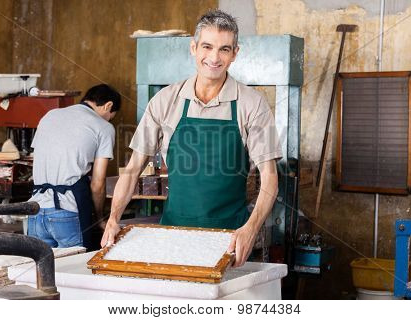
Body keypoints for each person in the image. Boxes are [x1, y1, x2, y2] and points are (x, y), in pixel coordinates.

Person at [102, 9, 280, 266]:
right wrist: (113, 218)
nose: (214, 58)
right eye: (207, 47)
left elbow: (270, 178)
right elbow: (132, 170)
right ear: (193, 48)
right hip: (174, 236)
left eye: (224, 49)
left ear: (235, 54)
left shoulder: (251, 104)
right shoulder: (165, 101)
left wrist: (250, 229)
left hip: (229, 240)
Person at [28, 84, 121, 249]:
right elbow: (98, 184)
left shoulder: (50, 115)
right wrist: (99, 218)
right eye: (110, 116)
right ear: (108, 106)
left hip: (35, 209)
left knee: (39, 271)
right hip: (67, 213)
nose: (108, 120)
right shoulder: (104, 127)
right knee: (73, 270)